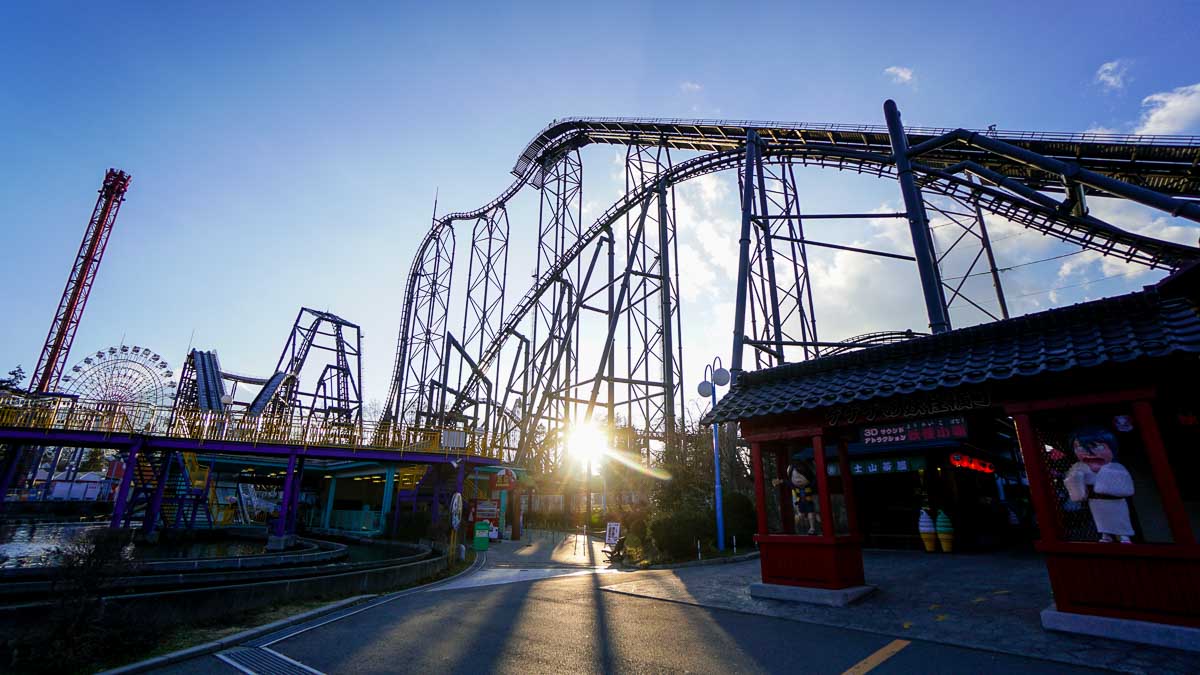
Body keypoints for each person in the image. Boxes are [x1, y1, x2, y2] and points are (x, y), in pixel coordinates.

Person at [1063, 427, 1135, 543]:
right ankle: (1106, 535)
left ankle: (1124, 536)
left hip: (1115, 501)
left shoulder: (1116, 468)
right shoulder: (1080, 468)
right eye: (1080, 447)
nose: (1089, 452)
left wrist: (1106, 481)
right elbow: (1074, 486)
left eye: (1098, 446)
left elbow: (1127, 488)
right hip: (1095, 501)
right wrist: (1077, 478)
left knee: (1119, 519)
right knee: (1101, 519)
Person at [772, 459, 820, 535]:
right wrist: (779, 481)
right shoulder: (794, 487)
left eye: (800, 476)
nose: (798, 480)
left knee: (810, 514)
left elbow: (815, 480)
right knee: (801, 515)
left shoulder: (809, 486)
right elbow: (786, 482)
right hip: (800, 503)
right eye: (794, 477)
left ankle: (812, 528)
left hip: (809, 502)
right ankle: (800, 521)